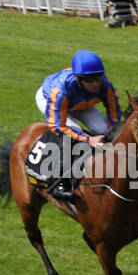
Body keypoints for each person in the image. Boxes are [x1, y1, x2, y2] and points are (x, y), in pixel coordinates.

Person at [35, 51, 122, 201]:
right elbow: (59, 128)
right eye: (89, 79)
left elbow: (115, 114)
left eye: (98, 77)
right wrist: (89, 140)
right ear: (78, 78)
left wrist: (108, 133)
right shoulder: (60, 90)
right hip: (52, 100)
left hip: (81, 103)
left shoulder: (105, 85)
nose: (95, 83)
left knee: (104, 131)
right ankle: (61, 181)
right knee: (73, 134)